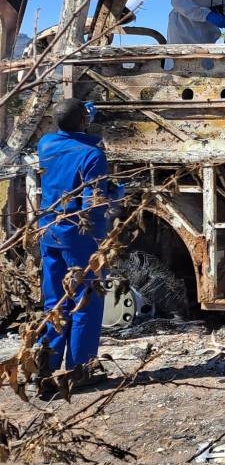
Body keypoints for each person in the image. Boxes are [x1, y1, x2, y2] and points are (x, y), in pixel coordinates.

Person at [36, 98, 121, 386]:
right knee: (85, 301)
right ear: (84, 121)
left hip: (49, 231)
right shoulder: (92, 156)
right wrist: (114, 194)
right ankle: (78, 372)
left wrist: (82, 123)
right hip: (80, 238)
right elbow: (92, 207)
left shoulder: (45, 144)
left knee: (55, 302)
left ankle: (44, 369)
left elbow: (67, 149)